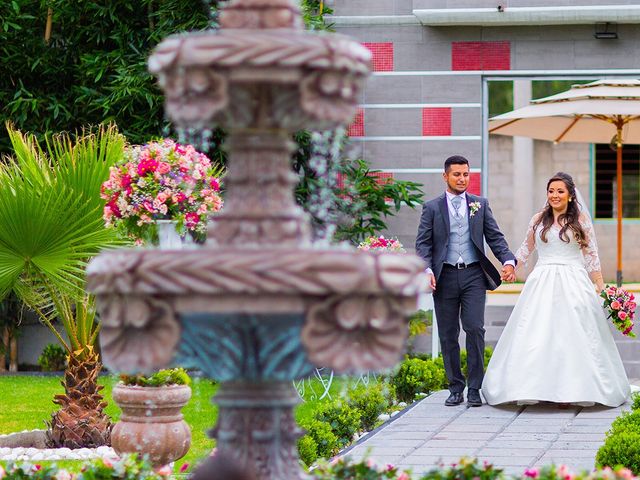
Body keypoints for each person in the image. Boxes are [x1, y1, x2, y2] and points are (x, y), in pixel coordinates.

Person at [482, 172, 630, 407]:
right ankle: (535, 387)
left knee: (574, 335)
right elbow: (525, 249)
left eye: (560, 191)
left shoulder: (580, 220)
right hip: (542, 280)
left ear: (570, 195)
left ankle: (573, 391)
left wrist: (603, 289)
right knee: (536, 334)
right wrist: (511, 267)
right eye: (551, 191)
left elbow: (591, 256)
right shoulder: (538, 219)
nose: (555, 195)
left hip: (574, 281)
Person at [415, 155, 516, 407]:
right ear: (445, 176)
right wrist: (426, 270)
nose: (462, 179)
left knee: (474, 328)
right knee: (449, 334)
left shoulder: (480, 205)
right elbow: (423, 244)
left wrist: (508, 260)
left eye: (466, 174)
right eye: (457, 174)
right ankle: (455, 387)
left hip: (473, 274)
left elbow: (495, 236)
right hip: (445, 275)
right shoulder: (432, 207)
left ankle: (474, 387)